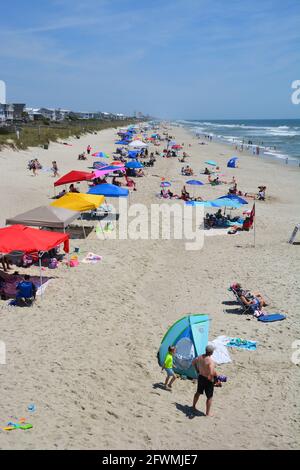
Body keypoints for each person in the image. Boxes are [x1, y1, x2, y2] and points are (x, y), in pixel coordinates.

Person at [192, 344, 217, 417]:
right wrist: (213, 379)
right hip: (208, 379)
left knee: (198, 392)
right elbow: (212, 372)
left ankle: (193, 406)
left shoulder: (200, 357)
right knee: (209, 397)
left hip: (201, 377)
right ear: (211, 352)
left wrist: (197, 370)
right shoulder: (210, 361)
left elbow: (193, 363)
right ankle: (207, 413)